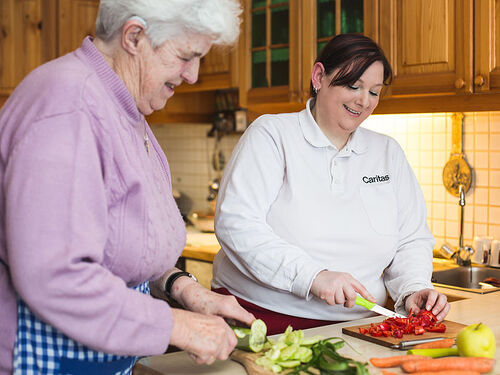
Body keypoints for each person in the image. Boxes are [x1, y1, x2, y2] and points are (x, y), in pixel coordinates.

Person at [0, 1, 255, 374]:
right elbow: (56, 276)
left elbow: (123, 246)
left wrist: (183, 289)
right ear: (134, 36)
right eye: (186, 56)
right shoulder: (68, 105)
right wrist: (178, 326)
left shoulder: (124, 107)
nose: (194, 76)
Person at [212, 33, 450, 335]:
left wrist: (413, 287)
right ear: (319, 76)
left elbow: (410, 239)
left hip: (359, 326)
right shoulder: (272, 135)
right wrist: (313, 277)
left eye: (374, 92)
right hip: (260, 318)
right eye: (353, 86)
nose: (364, 101)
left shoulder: (387, 152)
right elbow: (237, 224)